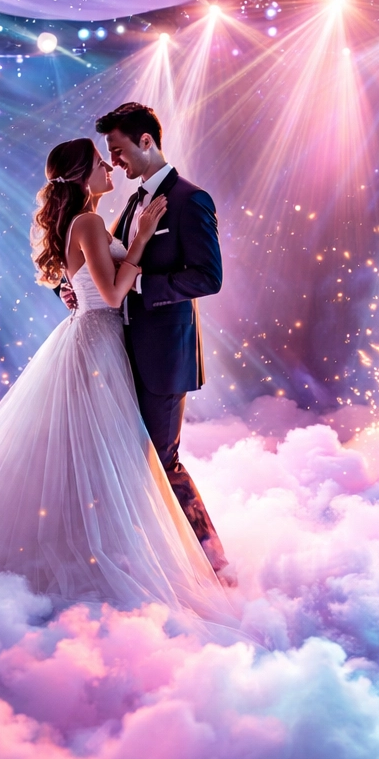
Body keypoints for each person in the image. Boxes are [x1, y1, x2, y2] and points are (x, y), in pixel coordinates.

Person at [0, 138, 237, 630]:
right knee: (109, 455)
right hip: (98, 339)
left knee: (98, 455)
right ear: (85, 175)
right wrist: (144, 238)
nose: (111, 167)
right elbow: (110, 293)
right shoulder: (87, 221)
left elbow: (86, 285)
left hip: (97, 337)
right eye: (101, 161)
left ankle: (104, 546)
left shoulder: (87, 221)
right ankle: (111, 554)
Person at [95, 102, 232, 584]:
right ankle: (146, 559)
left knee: (163, 460)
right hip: (121, 351)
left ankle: (214, 562)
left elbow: (208, 277)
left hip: (163, 356)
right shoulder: (133, 202)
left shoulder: (191, 199)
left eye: (118, 150)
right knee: (128, 461)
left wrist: (137, 287)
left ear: (146, 142)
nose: (114, 162)